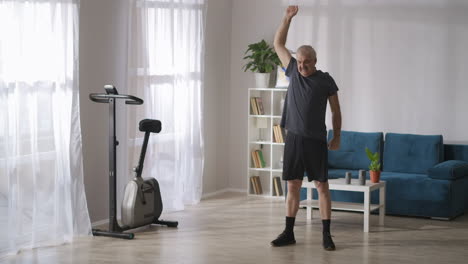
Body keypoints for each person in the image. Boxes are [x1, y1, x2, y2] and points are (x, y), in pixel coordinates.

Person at [270, 5, 342, 251]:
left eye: (306, 62)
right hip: (294, 139)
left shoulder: (325, 80)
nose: (301, 66)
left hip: (316, 141)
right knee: (293, 186)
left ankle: (326, 234)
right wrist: (287, 18)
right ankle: (289, 232)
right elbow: (278, 44)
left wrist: (337, 136)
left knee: (322, 186)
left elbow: (336, 111)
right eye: (299, 62)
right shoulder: (293, 72)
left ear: (315, 61)